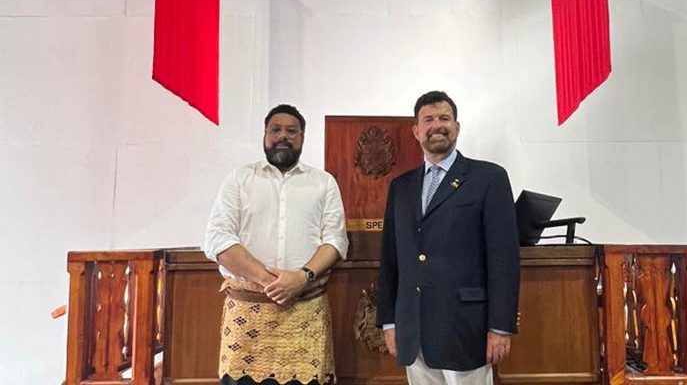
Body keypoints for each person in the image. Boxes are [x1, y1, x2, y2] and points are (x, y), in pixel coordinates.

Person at [377, 91, 520, 385]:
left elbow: (503, 259)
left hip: (466, 328)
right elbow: (391, 260)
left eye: (444, 118)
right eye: (428, 120)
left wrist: (501, 327)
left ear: (457, 126)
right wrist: (389, 322)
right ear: (416, 131)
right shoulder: (400, 187)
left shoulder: (488, 178)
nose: (437, 125)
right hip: (413, 329)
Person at [204, 104, 349, 385]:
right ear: (265, 134)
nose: (283, 136)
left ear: (302, 137)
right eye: (276, 130)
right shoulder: (240, 179)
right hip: (248, 316)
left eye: (291, 131)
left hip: (305, 312)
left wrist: (300, 278)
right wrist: (271, 281)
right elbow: (218, 239)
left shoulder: (323, 183)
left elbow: (335, 240)